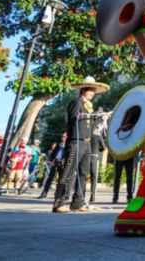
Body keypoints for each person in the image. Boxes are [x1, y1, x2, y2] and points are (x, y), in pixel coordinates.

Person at [53, 76, 107, 213]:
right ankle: (58, 202)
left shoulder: (89, 107)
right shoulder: (75, 103)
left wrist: (100, 118)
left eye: (94, 91)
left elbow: (90, 125)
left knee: (83, 173)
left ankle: (77, 202)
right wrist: (85, 116)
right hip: (76, 142)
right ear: (84, 90)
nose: (93, 93)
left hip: (87, 143)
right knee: (68, 172)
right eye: (91, 90)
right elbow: (72, 119)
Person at [39, 133, 66, 199]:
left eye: (65, 137)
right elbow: (54, 153)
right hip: (55, 162)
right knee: (50, 178)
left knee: (61, 179)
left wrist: (64, 161)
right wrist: (52, 161)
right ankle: (44, 193)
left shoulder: (68, 145)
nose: (63, 138)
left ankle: (58, 194)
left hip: (62, 163)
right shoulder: (58, 144)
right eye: (62, 136)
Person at [89, 110, 106, 203]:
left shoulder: (89, 135)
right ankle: (92, 196)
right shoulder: (98, 136)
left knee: (83, 176)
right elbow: (103, 147)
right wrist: (98, 151)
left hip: (87, 156)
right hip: (95, 157)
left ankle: (81, 194)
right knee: (94, 177)